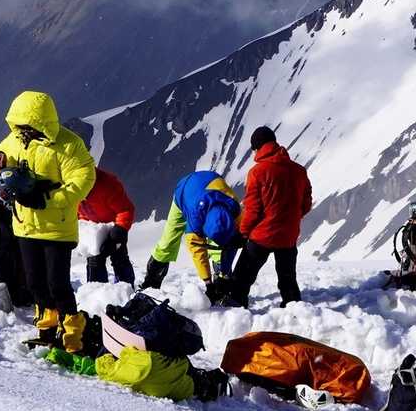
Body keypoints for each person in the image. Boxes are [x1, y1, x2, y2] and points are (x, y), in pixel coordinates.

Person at [0, 91, 96, 352]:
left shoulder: (68, 145)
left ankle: (73, 335)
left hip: (57, 230)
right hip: (25, 226)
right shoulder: (15, 141)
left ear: (41, 123)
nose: (23, 132)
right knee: (35, 283)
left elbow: (83, 181)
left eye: (28, 127)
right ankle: (47, 329)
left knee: (58, 284)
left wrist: (46, 200)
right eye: (19, 126)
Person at [232, 126, 312, 308]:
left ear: (257, 148)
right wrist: (290, 219)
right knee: (288, 280)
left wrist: (242, 233)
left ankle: (236, 310)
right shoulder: (299, 171)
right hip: (288, 236)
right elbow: (306, 204)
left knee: (241, 280)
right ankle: (295, 311)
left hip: (263, 236)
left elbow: (253, 210)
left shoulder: (257, 172)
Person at [139, 170, 244, 301]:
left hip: (205, 186)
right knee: (168, 242)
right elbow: (197, 249)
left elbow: (232, 245)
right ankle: (150, 283)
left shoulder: (234, 209)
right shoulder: (196, 215)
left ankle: (221, 287)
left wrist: (225, 274)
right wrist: (207, 282)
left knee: (219, 251)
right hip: (183, 193)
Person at [78, 169, 138, 284]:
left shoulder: (107, 184)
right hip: (91, 227)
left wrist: (116, 236)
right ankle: (96, 292)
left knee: (119, 257)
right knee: (94, 260)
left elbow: (126, 210)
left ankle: (125, 290)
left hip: (115, 225)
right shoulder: (68, 183)